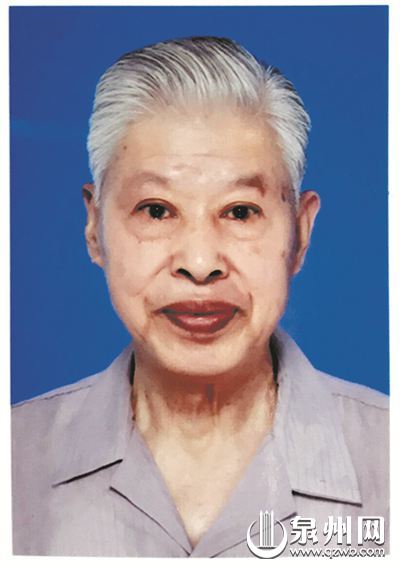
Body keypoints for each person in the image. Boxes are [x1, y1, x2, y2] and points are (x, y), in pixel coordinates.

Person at [12, 36, 389, 558]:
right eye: (156, 210)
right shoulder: (15, 459)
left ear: (301, 233)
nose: (199, 262)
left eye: (240, 211)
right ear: (94, 228)